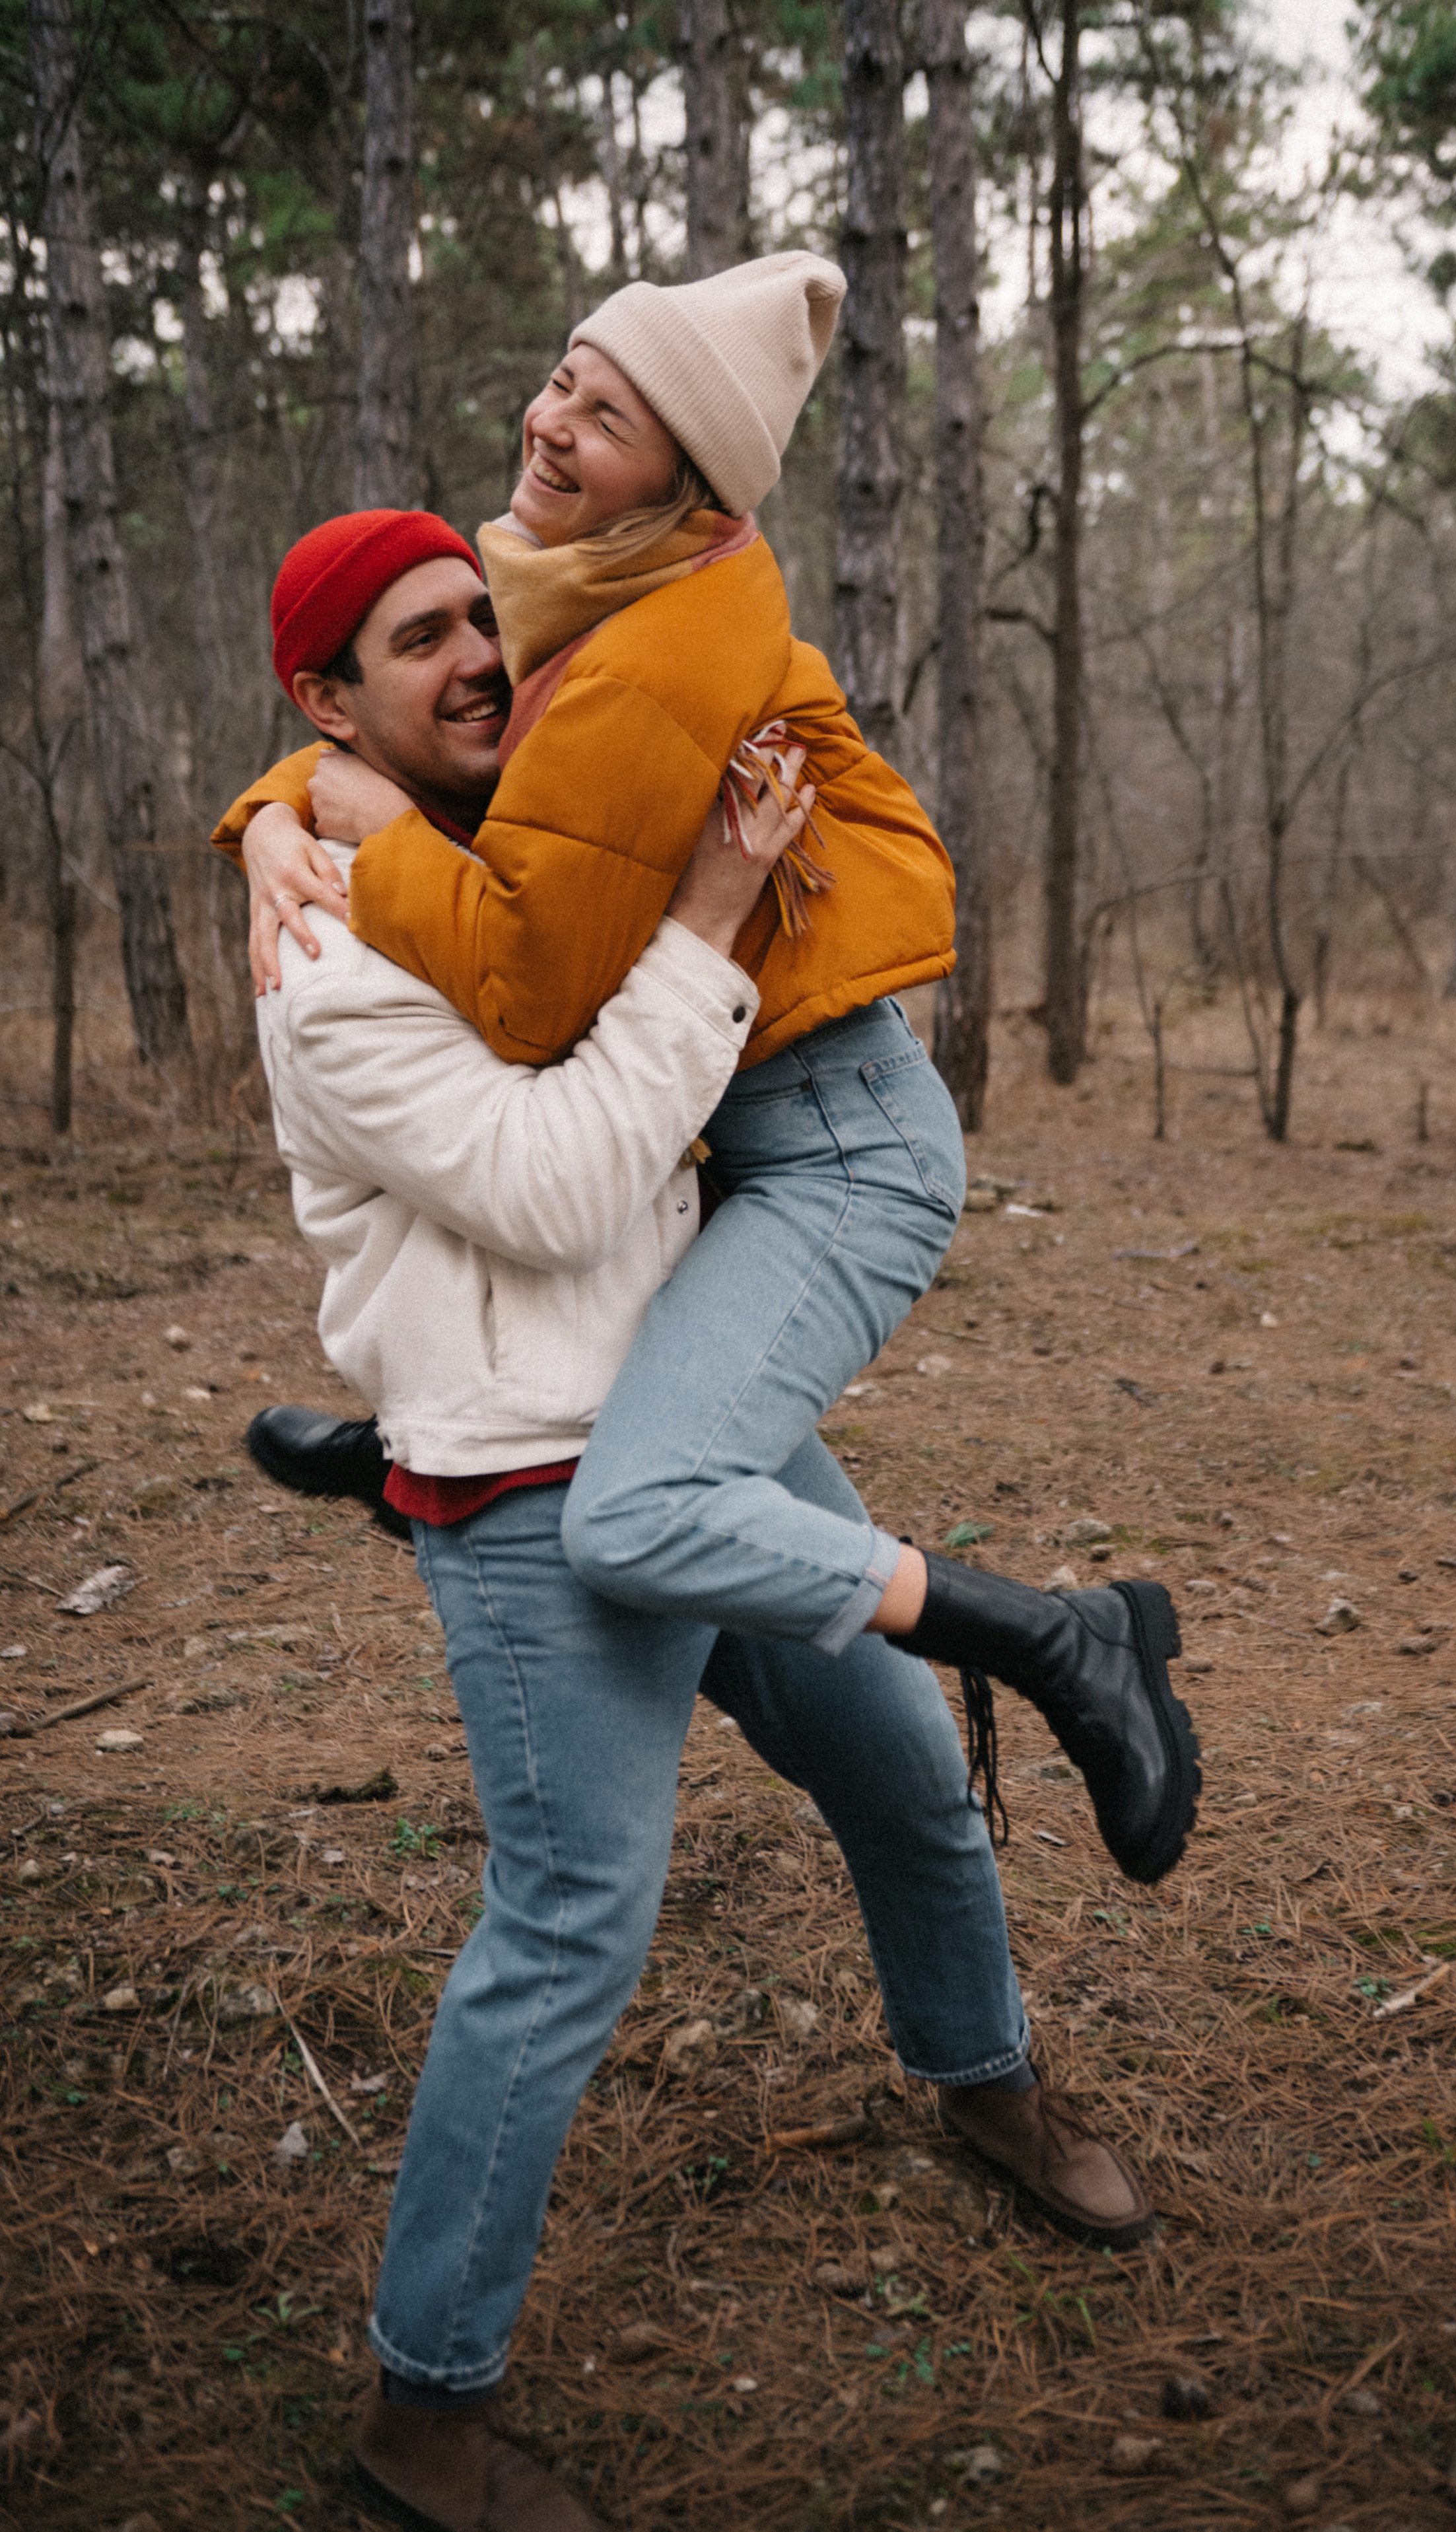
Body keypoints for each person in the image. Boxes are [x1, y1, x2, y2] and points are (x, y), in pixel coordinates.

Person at [244, 514, 1160, 2532]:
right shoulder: (328, 957)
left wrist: (282, 796)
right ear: (329, 698)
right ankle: (425, 2411)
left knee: (908, 1784)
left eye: (483, 615)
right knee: (569, 1930)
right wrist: (713, 909)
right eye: (422, 643)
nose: (481, 655)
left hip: (682, 1427)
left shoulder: (499, 853)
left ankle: (989, 2084)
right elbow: (568, 1183)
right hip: (528, 1491)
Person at [225, 252, 1199, 1893]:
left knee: (640, 1503)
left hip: (826, 1135)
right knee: (573, 1328)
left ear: (686, 477)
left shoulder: (661, 651)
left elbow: (533, 994)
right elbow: (408, 702)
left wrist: (368, 831)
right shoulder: (573, 575)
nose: (552, 423)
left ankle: (1064, 1639)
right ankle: (424, 1441)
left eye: (609, 416)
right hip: (731, 1116)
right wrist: (281, 808)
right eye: (563, 377)